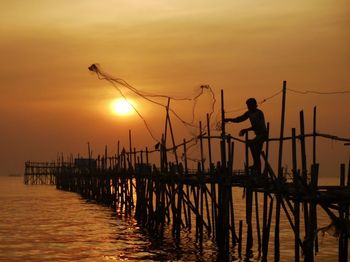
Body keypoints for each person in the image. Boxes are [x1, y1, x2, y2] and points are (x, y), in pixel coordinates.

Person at [224, 98, 267, 175]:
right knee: (256, 151)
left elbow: (258, 126)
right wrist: (229, 119)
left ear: (254, 105)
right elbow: (240, 119)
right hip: (258, 135)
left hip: (263, 134)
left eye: (249, 105)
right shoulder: (249, 113)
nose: (248, 107)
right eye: (247, 105)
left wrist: (245, 130)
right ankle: (257, 168)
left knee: (252, 144)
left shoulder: (259, 113)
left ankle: (256, 166)